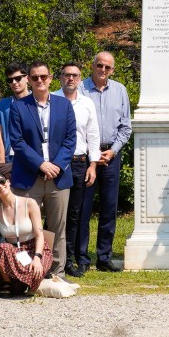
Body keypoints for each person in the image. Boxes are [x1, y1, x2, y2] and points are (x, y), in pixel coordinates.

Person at [5, 61, 77, 278]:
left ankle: (57, 272)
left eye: (43, 77)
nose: (39, 81)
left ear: (51, 77)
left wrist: (55, 165)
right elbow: (17, 142)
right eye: (35, 77)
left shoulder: (64, 105)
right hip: (29, 176)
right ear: (28, 79)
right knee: (26, 228)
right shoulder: (19, 107)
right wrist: (40, 164)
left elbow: (70, 140)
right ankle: (26, 272)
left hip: (58, 177)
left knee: (57, 228)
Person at [83, 52, 131, 272]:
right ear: (92, 65)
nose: (103, 70)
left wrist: (112, 151)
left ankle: (104, 257)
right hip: (85, 157)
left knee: (109, 207)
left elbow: (125, 126)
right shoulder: (81, 89)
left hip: (111, 155)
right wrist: (91, 152)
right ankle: (81, 257)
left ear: (113, 70)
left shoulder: (120, 90)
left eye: (107, 67)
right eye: (99, 65)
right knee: (83, 207)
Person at [59, 62, 101, 277]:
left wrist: (93, 164)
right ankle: (53, 259)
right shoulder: (53, 100)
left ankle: (69, 261)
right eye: (67, 75)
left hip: (79, 163)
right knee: (56, 214)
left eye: (75, 75)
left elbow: (93, 135)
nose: (71, 79)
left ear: (80, 77)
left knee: (74, 214)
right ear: (60, 78)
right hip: (57, 165)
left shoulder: (87, 103)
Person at [0, 172, 50, 295]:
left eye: (2, 181)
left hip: (35, 248)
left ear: (8, 181)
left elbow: (40, 235)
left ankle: (29, 281)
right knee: (0, 249)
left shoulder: (29, 203)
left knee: (35, 274)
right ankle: (7, 282)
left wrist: (37, 258)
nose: (0, 186)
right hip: (13, 253)